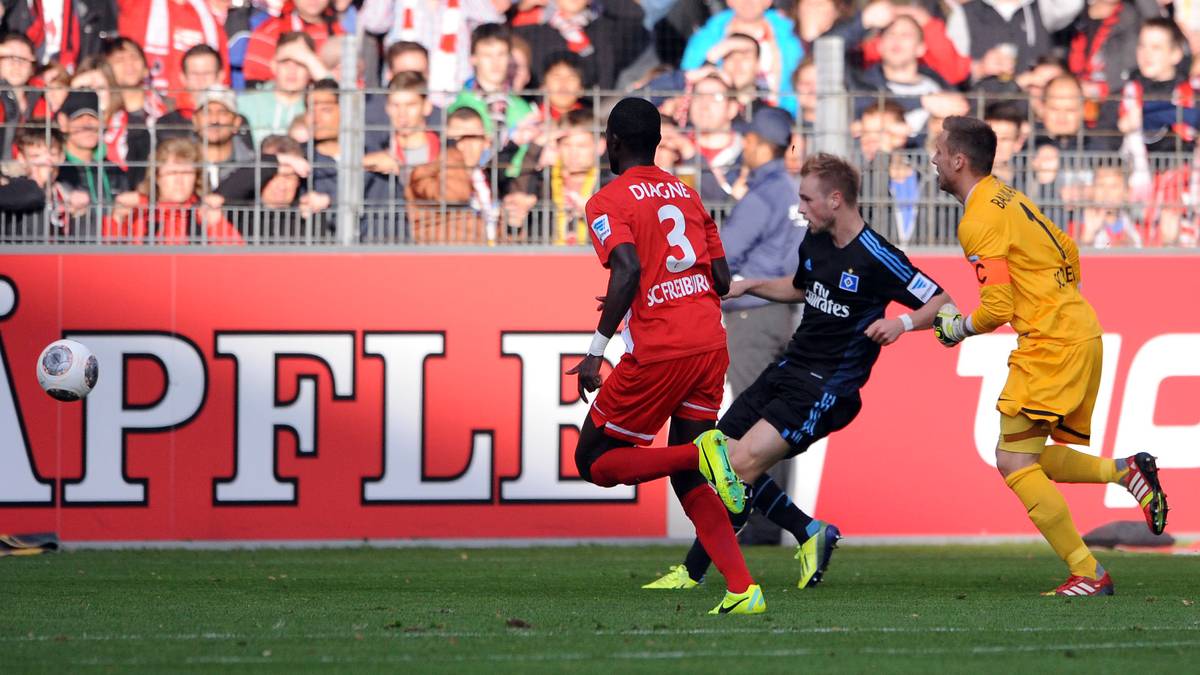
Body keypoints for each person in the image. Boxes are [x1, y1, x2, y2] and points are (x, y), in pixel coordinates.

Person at [685, 152, 954, 590]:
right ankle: (809, 531)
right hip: (789, 366)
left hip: (827, 388)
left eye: (807, 200)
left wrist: (900, 323)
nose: (800, 209)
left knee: (739, 463)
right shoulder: (814, 241)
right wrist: (751, 285)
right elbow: (799, 288)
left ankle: (691, 573)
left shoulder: (877, 256)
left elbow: (940, 300)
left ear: (835, 199)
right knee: (712, 453)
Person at [929, 115, 1169, 596]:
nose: (932, 159)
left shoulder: (979, 219)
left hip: (1052, 345)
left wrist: (957, 329)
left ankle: (1088, 571)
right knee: (1027, 456)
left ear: (958, 160)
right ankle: (1125, 471)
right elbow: (1068, 248)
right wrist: (1059, 301)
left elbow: (997, 307)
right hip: (1080, 330)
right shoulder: (1007, 195)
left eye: (938, 152)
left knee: (1013, 461)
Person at [570, 96, 763, 615]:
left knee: (593, 460)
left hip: (662, 350)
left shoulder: (607, 200)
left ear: (611, 142)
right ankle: (743, 589)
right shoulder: (689, 195)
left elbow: (627, 269)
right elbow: (721, 280)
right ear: (656, 143)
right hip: (709, 344)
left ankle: (700, 452)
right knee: (689, 480)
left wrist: (596, 350)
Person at [700, 105, 805, 547]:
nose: (744, 144)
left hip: (751, 316)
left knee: (750, 416)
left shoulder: (762, 196)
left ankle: (759, 519)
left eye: (749, 139)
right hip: (784, 313)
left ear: (761, 145)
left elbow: (721, 258)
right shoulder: (796, 192)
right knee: (776, 419)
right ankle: (770, 519)